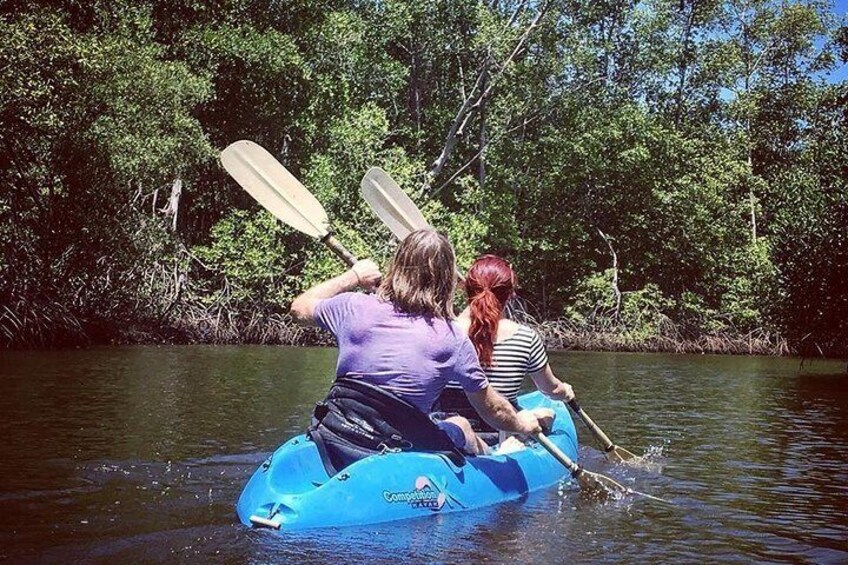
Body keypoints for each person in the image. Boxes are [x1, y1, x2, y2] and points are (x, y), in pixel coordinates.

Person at [289, 229, 547, 464]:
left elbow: (299, 308)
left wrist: (353, 276)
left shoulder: (352, 307)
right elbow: (493, 410)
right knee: (459, 424)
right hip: (397, 444)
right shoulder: (452, 338)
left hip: (337, 430)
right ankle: (498, 456)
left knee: (450, 422)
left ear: (396, 266)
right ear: (446, 280)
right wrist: (520, 423)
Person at [436, 255, 574, 433]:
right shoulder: (526, 338)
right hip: (501, 430)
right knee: (548, 413)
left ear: (465, 289)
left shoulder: (441, 332)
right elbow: (551, 389)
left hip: (448, 432)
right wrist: (566, 392)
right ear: (510, 294)